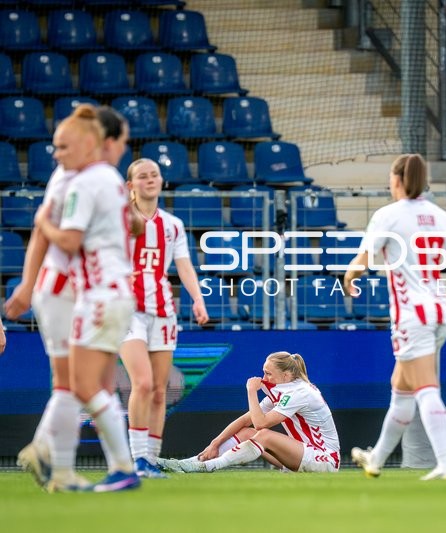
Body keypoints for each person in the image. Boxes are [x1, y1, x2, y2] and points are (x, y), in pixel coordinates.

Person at [8, 106, 137, 492]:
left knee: (79, 384)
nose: (56, 154)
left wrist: (41, 222)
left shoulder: (83, 180)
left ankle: (59, 457)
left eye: (62, 146)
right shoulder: (89, 178)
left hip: (89, 291)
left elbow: (59, 235)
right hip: (74, 289)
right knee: (80, 383)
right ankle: (63, 463)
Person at [344, 153, 446, 481]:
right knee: (401, 388)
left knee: (425, 388)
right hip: (440, 311)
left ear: (396, 180)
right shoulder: (443, 217)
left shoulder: (388, 216)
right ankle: (376, 458)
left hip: (412, 315)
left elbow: (362, 259)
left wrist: (348, 277)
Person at [119, 158, 209, 478]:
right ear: (130, 186)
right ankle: (137, 459)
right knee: (141, 383)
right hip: (126, 310)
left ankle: (151, 460)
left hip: (163, 311)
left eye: (154, 175)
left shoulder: (172, 225)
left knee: (159, 389)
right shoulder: (119, 219)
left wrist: (198, 300)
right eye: (142, 176)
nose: (150, 180)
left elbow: (183, 266)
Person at [157, 351, 340, 473]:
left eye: (268, 373)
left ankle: (206, 466)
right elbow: (246, 420)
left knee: (264, 435)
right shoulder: (285, 389)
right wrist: (215, 443)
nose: (263, 378)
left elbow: (260, 424)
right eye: (263, 372)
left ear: (286, 376)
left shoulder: (299, 392)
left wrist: (251, 391)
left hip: (325, 459)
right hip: (304, 455)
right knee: (247, 433)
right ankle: (193, 461)